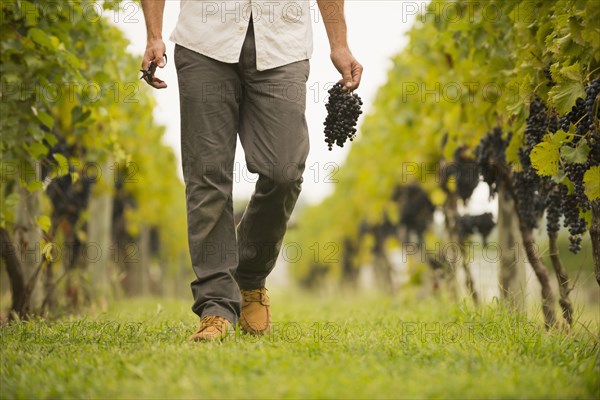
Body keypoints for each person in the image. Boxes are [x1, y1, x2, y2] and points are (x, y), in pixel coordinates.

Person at [140, 0, 362, 341]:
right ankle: (215, 306)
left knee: (284, 171)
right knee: (207, 175)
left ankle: (250, 277)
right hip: (204, 40)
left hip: (283, 43)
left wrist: (340, 43)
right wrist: (154, 34)